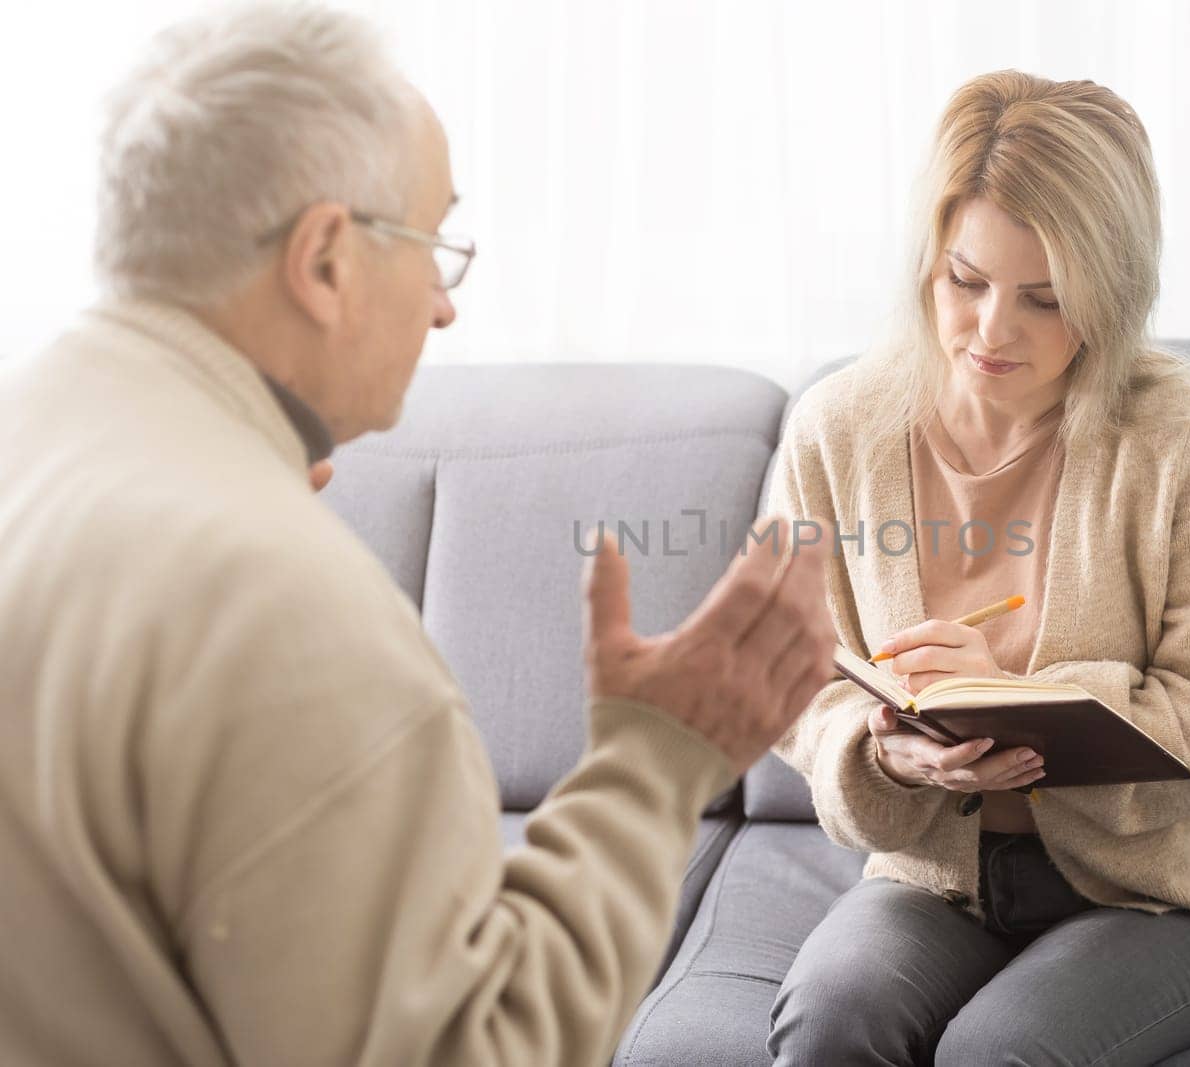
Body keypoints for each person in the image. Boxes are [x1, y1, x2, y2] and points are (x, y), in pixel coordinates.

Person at [0, 5, 834, 1065]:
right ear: (325, 260)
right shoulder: (284, 607)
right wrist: (653, 761)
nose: (444, 308)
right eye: (435, 245)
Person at [765, 71, 1190, 1065]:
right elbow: (791, 673)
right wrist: (883, 755)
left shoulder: (1180, 440)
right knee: (831, 1020)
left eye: (1043, 299)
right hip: (932, 880)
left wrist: (1028, 698)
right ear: (929, 262)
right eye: (965, 281)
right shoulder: (838, 428)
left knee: (996, 1051)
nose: (992, 330)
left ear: (1111, 293)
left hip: (1150, 898)